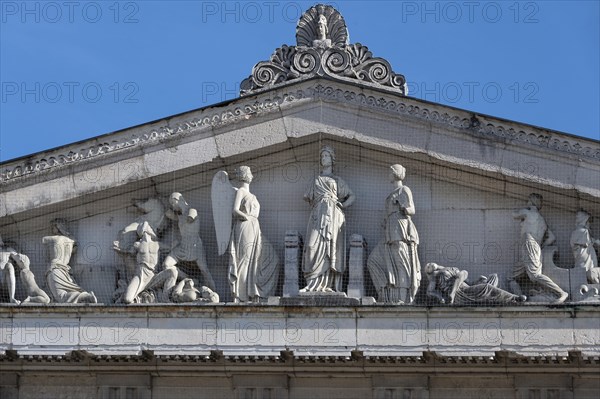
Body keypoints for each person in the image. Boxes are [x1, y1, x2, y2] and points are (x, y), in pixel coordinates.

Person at [301, 145, 355, 292]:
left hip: (333, 215)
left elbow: (352, 196)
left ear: (332, 159)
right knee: (312, 246)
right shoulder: (317, 180)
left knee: (331, 247)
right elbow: (306, 196)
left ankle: (328, 285)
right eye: (322, 156)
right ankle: (312, 284)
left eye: (326, 156)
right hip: (317, 215)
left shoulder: (337, 180)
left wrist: (342, 205)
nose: (323, 159)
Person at [367, 164, 421, 303]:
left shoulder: (404, 189)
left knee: (401, 263)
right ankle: (386, 293)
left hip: (401, 230)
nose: (389, 174)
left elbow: (412, 209)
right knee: (373, 260)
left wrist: (402, 205)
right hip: (390, 232)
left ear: (395, 173)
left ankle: (402, 298)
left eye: (390, 172)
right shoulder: (391, 194)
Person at [228, 166, 279, 302]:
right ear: (243, 175)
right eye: (248, 172)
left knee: (269, 257)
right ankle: (240, 296)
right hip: (245, 225)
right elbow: (235, 210)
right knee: (245, 259)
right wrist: (245, 217)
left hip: (255, 227)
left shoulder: (252, 195)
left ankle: (256, 291)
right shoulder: (241, 191)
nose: (250, 174)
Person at [510, 194, 568, 303]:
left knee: (535, 276)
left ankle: (561, 293)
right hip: (534, 246)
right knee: (511, 277)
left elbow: (514, 214)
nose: (527, 202)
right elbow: (551, 237)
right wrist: (540, 247)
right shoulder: (542, 221)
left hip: (529, 243)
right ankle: (520, 298)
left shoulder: (528, 212)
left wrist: (527, 208)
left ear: (531, 202)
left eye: (528, 201)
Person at [163, 193, 216, 292]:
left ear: (178, 200)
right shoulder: (180, 216)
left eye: (173, 203)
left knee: (204, 270)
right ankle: (187, 278)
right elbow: (168, 213)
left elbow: (189, 218)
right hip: (183, 246)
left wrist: (178, 214)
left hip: (194, 246)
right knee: (166, 264)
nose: (172, 206)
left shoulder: (192, 211)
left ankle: (214, 292)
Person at [120, 222, 177, 304]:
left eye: (148, 227)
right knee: (127, 299)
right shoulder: (137, 245)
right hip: (140, 275)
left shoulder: (158, 245)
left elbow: (171, 248)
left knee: (172, 272)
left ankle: (166, 298)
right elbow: (128, 256)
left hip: (154, 276)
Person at [42, 219, 97, 304]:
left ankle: (85, 296)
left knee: (61, 297)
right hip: (65, 271)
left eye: (53, 227)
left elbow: (43, 239)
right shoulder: (71, 241)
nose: (51, 229)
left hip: (55, 269)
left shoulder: (51, 239)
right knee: (63, 295)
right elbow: (74, 249)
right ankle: (84, 296)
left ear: (58, 227)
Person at [425, 263, 526, 305]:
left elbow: (469, 282)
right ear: (428, 272)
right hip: (459, 293)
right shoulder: (434, 277)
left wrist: (478, 281)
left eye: (430, 264)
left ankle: (491, 297)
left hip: (467, 289)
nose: (430, 264)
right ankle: (514, 298)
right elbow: (430, 292)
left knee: (493, 277)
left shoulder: (448, 268)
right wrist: (439, 298)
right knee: (487, 287)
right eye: (428, 266)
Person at [570, 210, 600, 283]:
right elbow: (590, 242)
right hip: (585, 258)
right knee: (586, 272)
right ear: (585, 221)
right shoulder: (583, 231)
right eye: (589, 222)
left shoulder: (577, 231)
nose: (590, 224)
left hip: (582, 257)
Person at [0, 235, 20, 304]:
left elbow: (19, 258)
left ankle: (12, 298)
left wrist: (19, 257)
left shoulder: (7, 250)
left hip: (5, 279)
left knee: (9, 266)